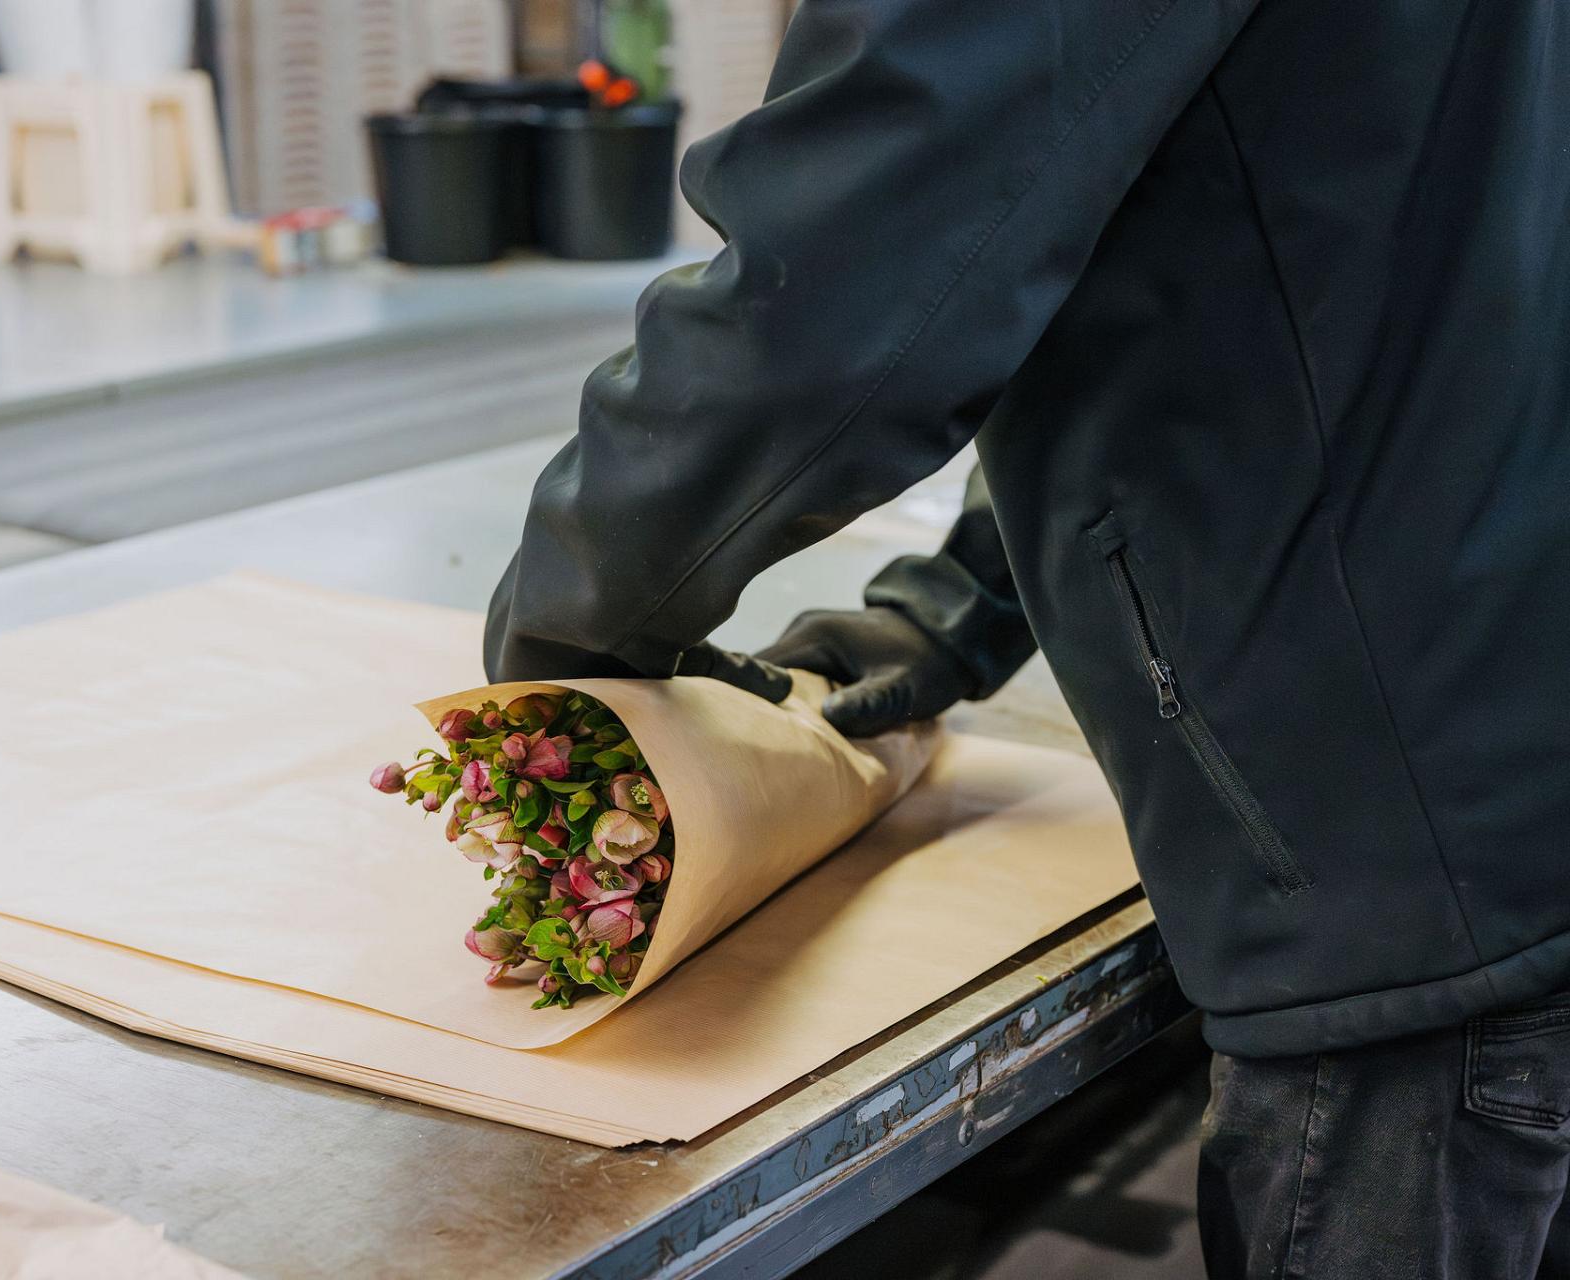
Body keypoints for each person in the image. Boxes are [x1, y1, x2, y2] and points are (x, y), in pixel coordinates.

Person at [482, 0, 1570, 1275]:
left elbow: (839, 281)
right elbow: (1227, 234)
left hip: (1409, 851)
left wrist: (567, 636)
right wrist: (956, 608)